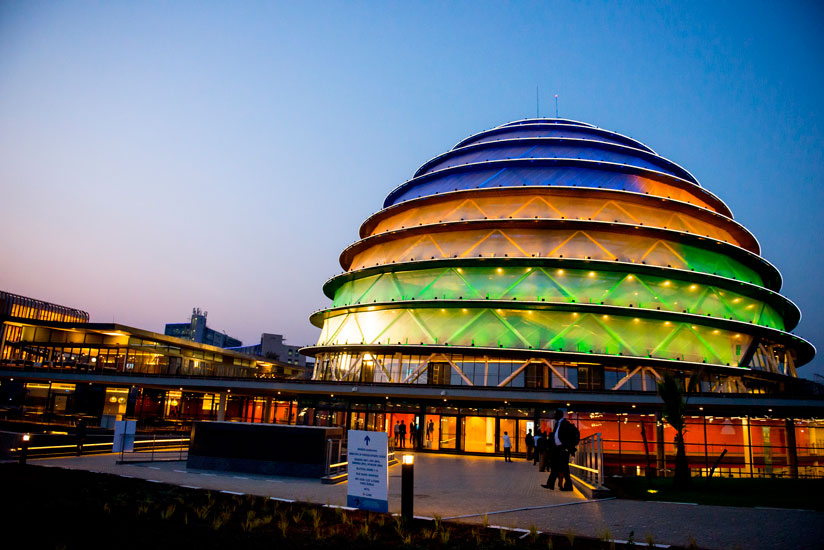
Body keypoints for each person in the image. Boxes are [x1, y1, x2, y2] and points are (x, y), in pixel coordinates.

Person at [542, 409, 580, 491]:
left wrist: (567, 447)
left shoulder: (565, 424)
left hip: (563, 449)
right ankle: (551, 484)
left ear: (559, 415)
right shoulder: (558, 424)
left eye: (555, 415)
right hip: (558, 449)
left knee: (564, 468)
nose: (554, 416)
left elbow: (566, 436)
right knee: (556, 466)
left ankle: (567, 486)